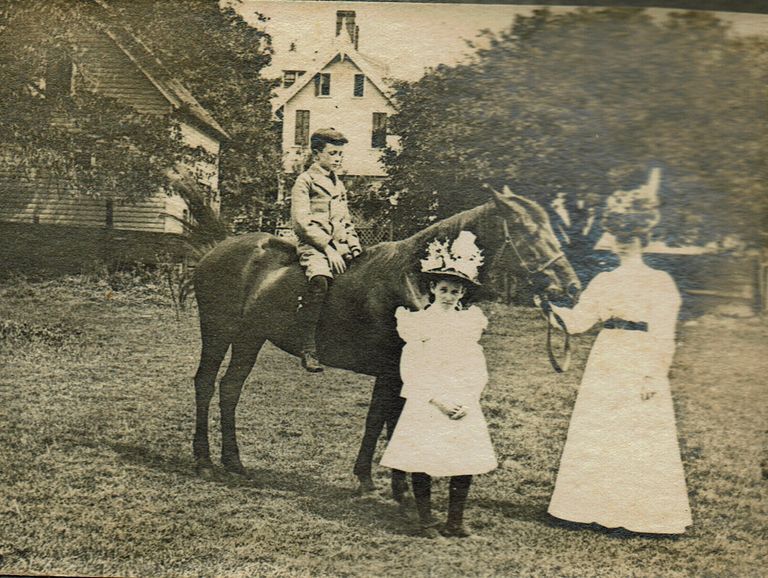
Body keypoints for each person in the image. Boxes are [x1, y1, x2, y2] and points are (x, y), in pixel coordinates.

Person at [545, 168, 693, 534]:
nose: (624, 241)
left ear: (643, 239)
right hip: (607, 354)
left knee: (637, 431)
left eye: (632, 235)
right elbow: (580, 321)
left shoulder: (660, 283)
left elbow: (663, 335)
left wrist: (652, 374)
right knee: (600, 428)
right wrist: (550, 308)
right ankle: (585, 508)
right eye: (620, 235)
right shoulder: (604, 280)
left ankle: (637, 514)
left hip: (640, 355)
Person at [380, 231, 498, 538]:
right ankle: (426, 519)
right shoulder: (417, 323)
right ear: (432, 288)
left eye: (455, 291)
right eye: (443, 289)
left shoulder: (469, 323)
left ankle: (455, 521)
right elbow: (413, 369)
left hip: (461, 400)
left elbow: (476, 366)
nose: (449, 295)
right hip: (429, 400)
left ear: (462, 294)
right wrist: (437, 399)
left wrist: (468, 397)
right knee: (423, 457)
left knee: (463, 459)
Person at [291, 128, 362, 372]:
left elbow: (345, 220)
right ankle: (308, 347)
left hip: (338, 244)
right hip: (314, 245)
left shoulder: (338, 183)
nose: (338, 158)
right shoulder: (305, 181)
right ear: (316, 153)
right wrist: (328, 248)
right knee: (320, 280)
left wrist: (353, 245)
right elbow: (302, 223)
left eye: (341, 154)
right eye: (333, 153)